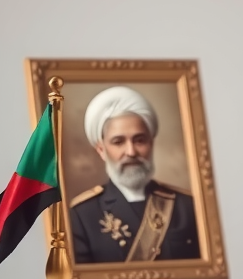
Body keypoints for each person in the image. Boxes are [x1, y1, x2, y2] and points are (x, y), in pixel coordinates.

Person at [69, 86, 200, 264]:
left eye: (139, 140)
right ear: (101, 150)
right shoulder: (82, 215)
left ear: (151, 144)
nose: (131, 152)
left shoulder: (187, 206)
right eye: (118, 142)